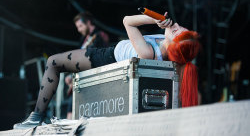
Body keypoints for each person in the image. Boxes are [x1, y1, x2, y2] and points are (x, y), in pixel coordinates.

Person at [13, 11, 200, 129]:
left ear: (172, 43)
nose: (176, 26)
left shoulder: (148, 52)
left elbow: (127, 21)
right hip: (112, 55)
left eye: (177, 31)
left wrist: (153, 19)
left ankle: (35, 117)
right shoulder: (166, 46)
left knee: (53, 62)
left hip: (106, 57)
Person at [65, 12, 110, 119]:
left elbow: (100, 58)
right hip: (80, 79)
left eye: (80, 26)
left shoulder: (99, 36)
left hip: (93, 78)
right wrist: (70, 75)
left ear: (88, 22)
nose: (79, 29)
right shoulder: (83, 40)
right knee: (71, 110)